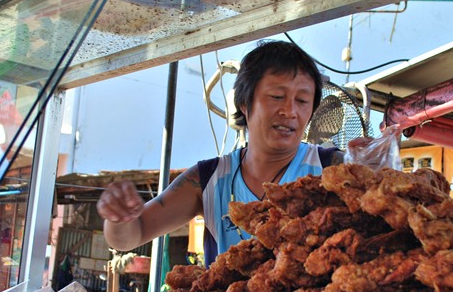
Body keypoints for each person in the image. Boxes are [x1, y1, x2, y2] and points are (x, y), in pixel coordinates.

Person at [96, 39, 345, 267]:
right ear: (245, 104)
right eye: (277, 96)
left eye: (302, 101)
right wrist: (118, 218)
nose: (290, 111)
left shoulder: (334, 169)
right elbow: (133, 234)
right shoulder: (208, 180)